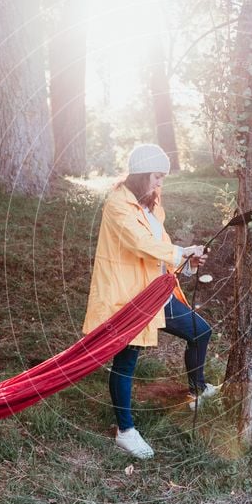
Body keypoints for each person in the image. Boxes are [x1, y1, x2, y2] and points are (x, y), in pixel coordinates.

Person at [82, 144, 219, 459]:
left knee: (200, 331)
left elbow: (161, 249)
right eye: (157, 176)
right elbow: (140, 244)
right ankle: (125, 431)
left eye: (163, 178)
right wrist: (181, 252)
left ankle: (197, 388)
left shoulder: (153, 208)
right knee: (127, 362)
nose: (160, 183)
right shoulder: (118, 205)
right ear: (142, 173)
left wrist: (186, 263)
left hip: (157, 293)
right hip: (130, 298)